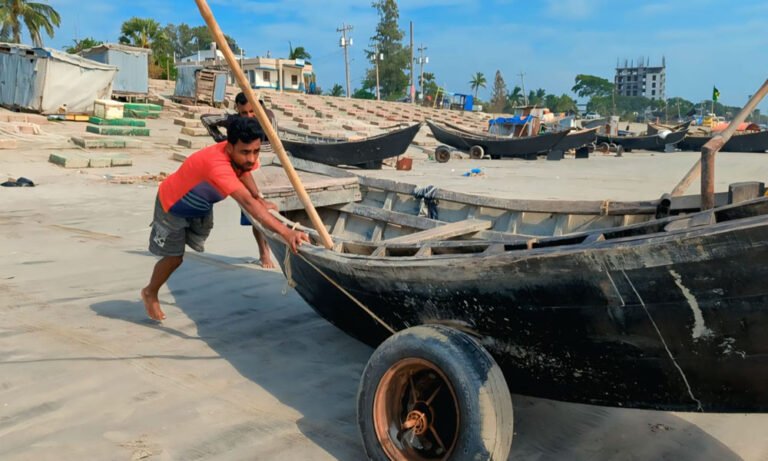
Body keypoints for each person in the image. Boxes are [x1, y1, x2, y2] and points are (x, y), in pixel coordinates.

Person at [141, 117, 309, 321]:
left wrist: (259, 198)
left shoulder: (243, 158)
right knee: (174, 258)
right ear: (229, 148)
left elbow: (245, 173)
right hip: (172, 205)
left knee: (188, 247)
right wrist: (286, 232)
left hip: (199, 206)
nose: (252, 158)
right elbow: (247, 204)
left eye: (256, 151)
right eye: (245, 152)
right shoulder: (216, 164)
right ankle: (150, 292)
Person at [201, 93, 278, 268]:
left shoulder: (268, 118)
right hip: (244, 170)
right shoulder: (234, 121)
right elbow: (207, 119)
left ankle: (274, 246)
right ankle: (264, 253)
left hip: (265, 168)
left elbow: (275, 143)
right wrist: (222, 140)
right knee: (254, 213)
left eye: (253, 111)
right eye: (244, 112)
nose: (249, 116)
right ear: (237, 109)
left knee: (270, 209)